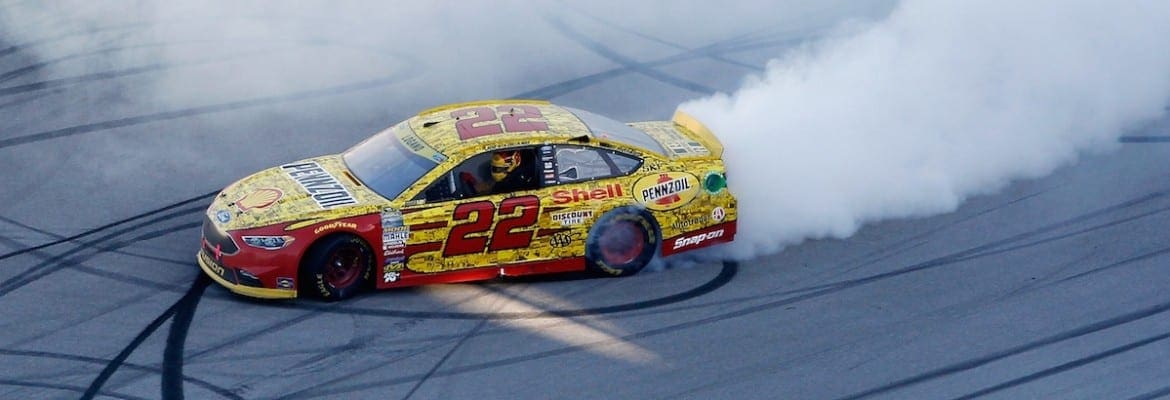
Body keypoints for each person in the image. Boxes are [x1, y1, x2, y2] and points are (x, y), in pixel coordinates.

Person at [460, 150, 532, 195]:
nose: (496, 172)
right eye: (494, 168)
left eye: (500, 169)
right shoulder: (484, 170)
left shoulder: (514, 184)